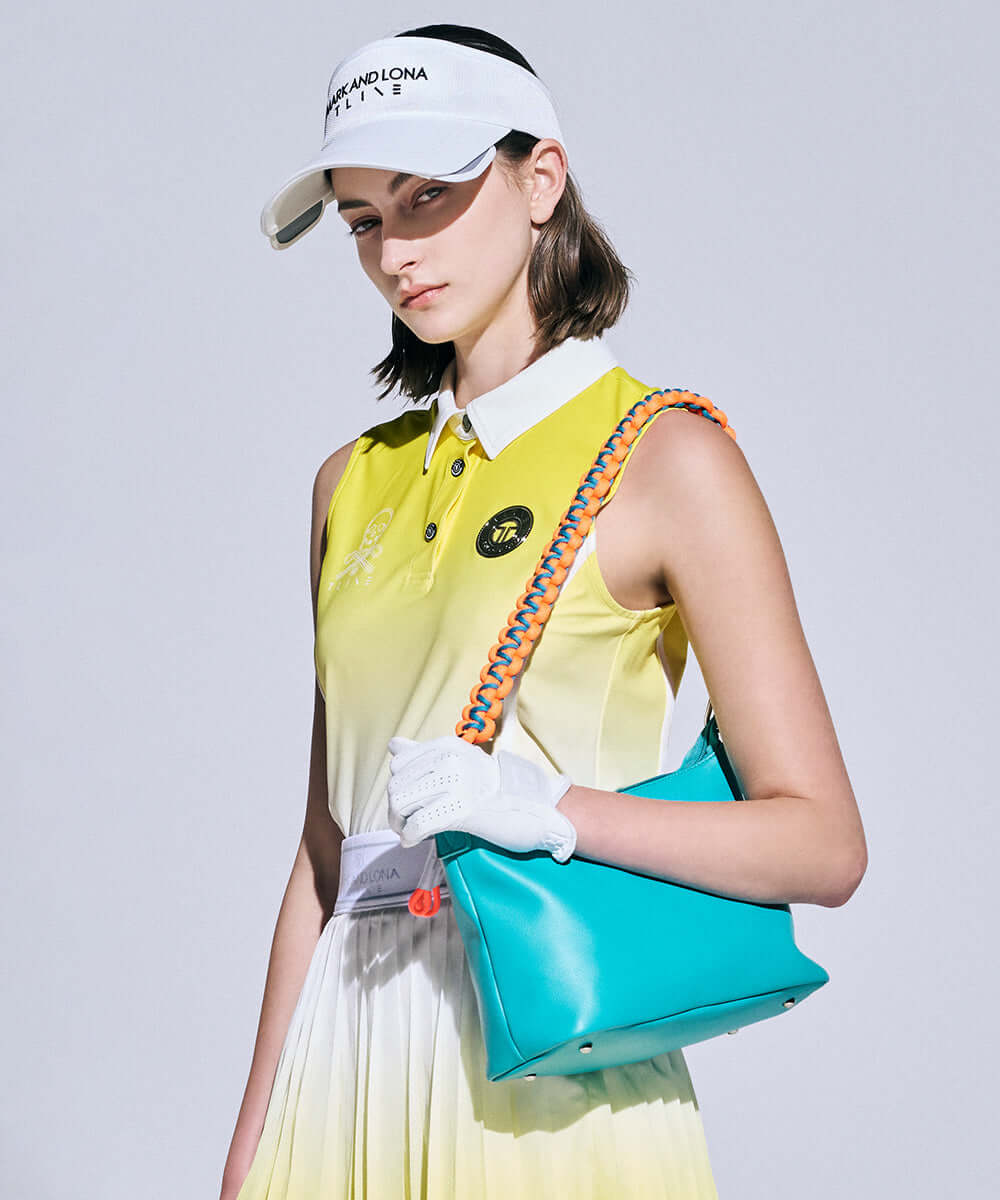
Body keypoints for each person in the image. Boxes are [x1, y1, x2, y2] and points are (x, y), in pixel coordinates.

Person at [221, 22, 868, 1200]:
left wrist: (546, 810)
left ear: (540, 179)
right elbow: (322, 858)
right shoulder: (347, 483)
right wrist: (252, 1150)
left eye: (428, 195)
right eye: (363, 219)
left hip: (547, 1075)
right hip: (343, 1070)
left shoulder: (664, 457)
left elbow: (820, 844)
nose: (394, 252)